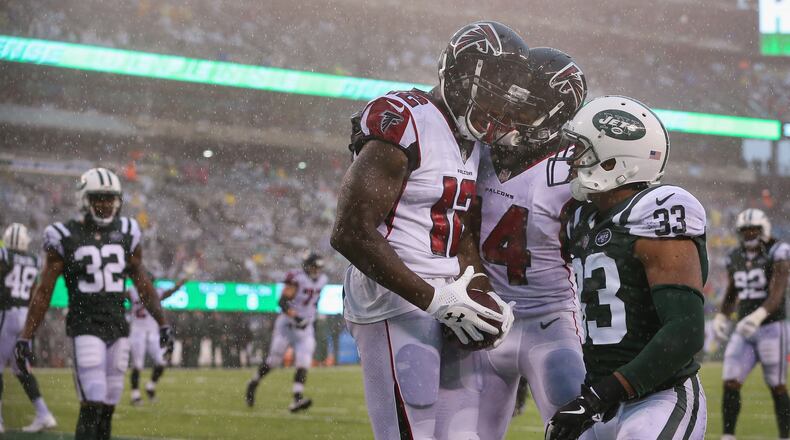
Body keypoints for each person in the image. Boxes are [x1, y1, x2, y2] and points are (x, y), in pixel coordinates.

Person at [331, 20, 526, 440]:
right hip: (393, 300)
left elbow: (463, 232)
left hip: (445, 294)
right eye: (492, 92)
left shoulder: (471, 140)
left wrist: (479, 293)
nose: (500, 110)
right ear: (459, 77)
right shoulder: (405, 119)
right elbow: (350, 232)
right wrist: (435, 301)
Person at [544, 96, 707, 439]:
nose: (572, 158)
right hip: (601, 399)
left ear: (613, 161)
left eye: (582, 149)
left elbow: (685, 331)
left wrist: (602, 395)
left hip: (658, 397)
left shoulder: (656, 209)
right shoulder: (581, 218)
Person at [469, 47, 589, 440]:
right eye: (508, 99)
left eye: (523, 105)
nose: (507, 112)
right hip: (484, 316)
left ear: (556, 113)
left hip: (552, 323)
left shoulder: (575, 169)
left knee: (578, 432)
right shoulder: (479, 149)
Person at [14, 168, 174, 440]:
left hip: (118, 327)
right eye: (98, 198)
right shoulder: (64, 234)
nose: (105, 204)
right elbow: (44, 292)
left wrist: (163, 322)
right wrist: (26, 337)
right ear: (84, 199)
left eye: (110, 198)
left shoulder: (128, 230)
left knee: (108, 407)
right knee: (92, 403)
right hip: (85, 325)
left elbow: (142, 282)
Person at [712, 208, 790, 440]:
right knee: (731, 380)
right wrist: (722, 315)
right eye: (745, 231)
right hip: (744, 328)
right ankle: (728, 436)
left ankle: (785, 436)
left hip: (771, 328)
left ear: (764, 229)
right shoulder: (734, 256)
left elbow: (777, 293)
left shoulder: (778, 251)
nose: (749, 234)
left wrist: (757, 317)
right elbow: (731, 292)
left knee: (776, 384)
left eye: (754, 229)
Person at [246, 252, 328, 412]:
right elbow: (282, 302)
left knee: (303, 362)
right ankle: (253, 383)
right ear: (307, 266)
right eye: (314, 267)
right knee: (274, 361)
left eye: (318, 267)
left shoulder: (323, 281)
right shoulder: (296, 278)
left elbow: (314, 302)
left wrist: (311, 318)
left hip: (305, 329)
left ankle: (297, 399)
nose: (316, 270)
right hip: (287, 326)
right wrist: (297, 318)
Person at [0, 223, 57, 433]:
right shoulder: (33, 260)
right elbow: (34, 290)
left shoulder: (4, 255)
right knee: (22, 369)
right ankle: (44, 414)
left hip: (6, 312)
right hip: (25, 315)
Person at [128, 274, 186, 405]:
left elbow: (169, 293)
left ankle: (150, 386)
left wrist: (180, 284)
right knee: (137, 365)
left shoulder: (156, 292)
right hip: (137, 332)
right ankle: (135, 394)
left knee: (162, 361)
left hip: (153, 332)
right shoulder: (132, 291)